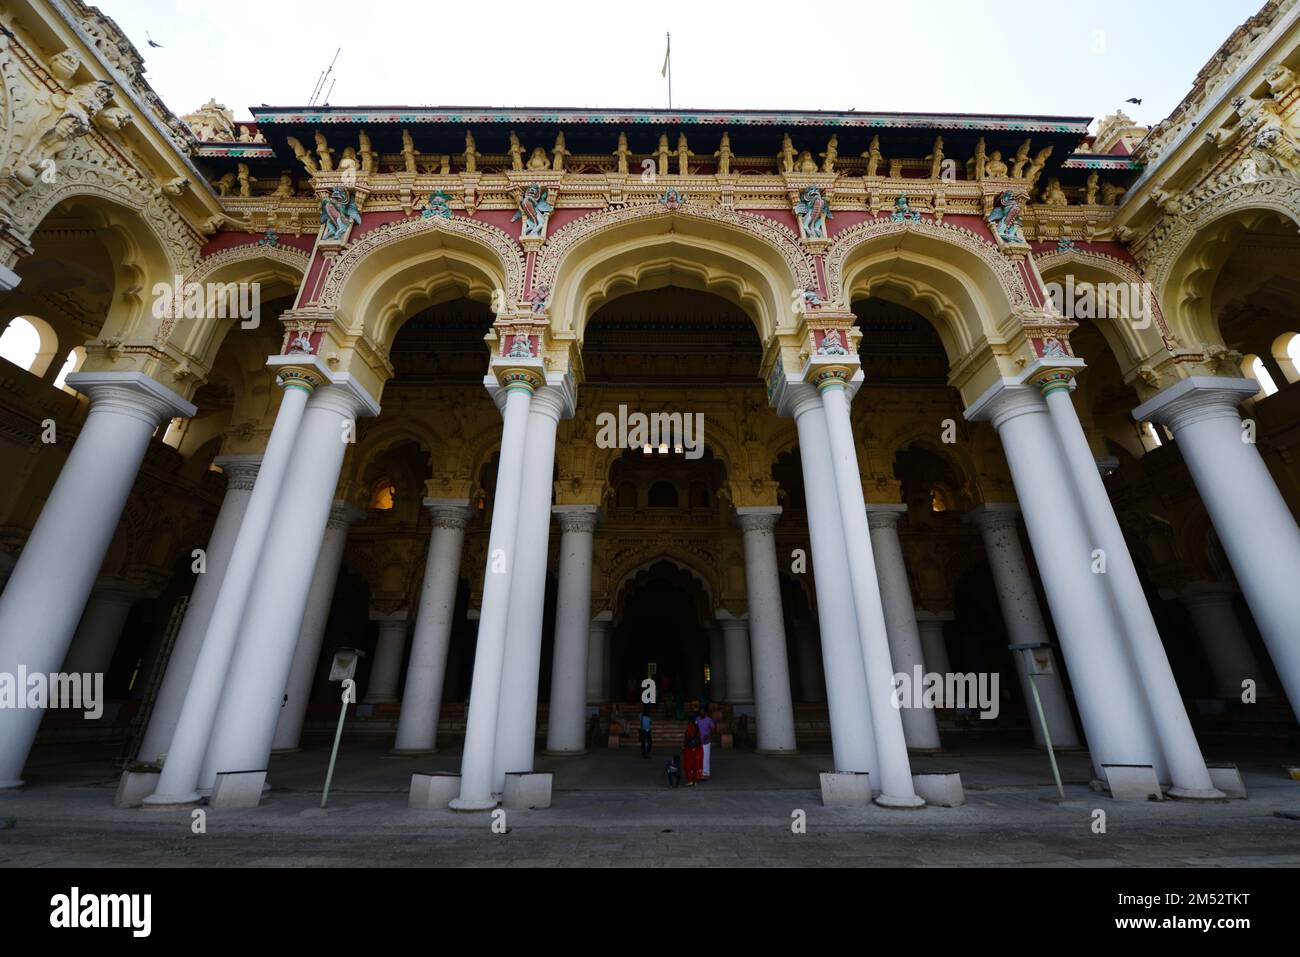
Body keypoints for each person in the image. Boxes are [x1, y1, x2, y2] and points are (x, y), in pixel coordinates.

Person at [682, 718, 704, 786]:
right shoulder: (697, 728)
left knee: (688, 766)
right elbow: (700, 739)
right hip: (697, 749)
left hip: (689, 749)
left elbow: (687, 739)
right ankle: (695, 781)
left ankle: (690, 781)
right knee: (695, 766)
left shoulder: (688, 729)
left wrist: (683, 746)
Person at [695, 708, 715, 781]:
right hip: (698, 742)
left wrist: (709, 736)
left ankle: (706, 774)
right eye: (701, 712)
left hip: (706, 742)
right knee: (698, 758)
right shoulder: (697, 719)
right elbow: (695, 728)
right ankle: (699, 773)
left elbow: (713, 729)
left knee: (705, 758)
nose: (702, 713)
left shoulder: (709, 720)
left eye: (703, 712)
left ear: (706, 713)